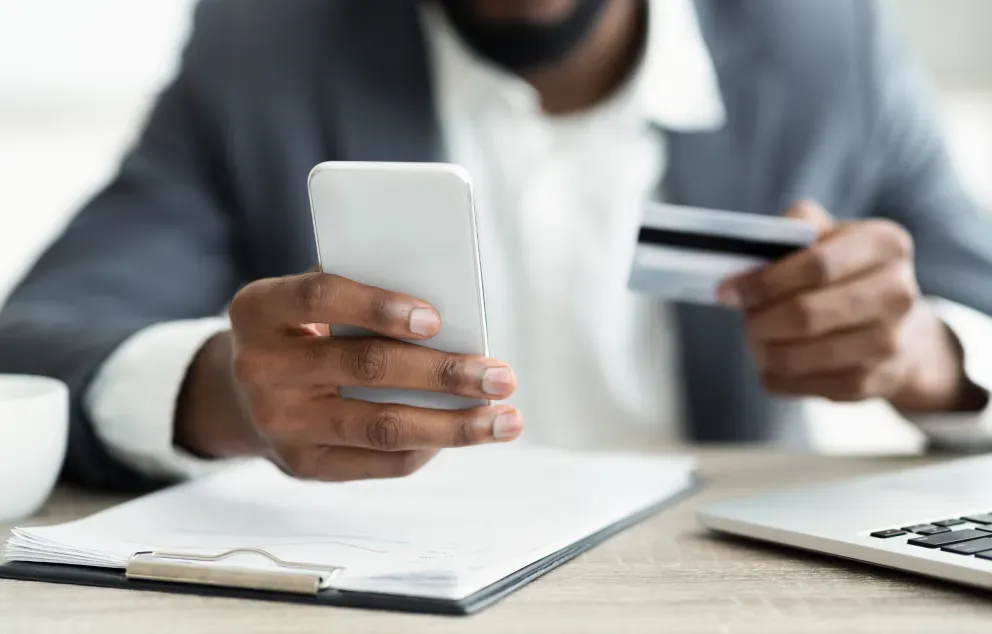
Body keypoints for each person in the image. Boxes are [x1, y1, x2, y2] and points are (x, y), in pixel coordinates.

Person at [2, 0, 991, 491]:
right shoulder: (263, 47)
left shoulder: (825, 44)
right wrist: (226, 394)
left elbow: (968, 308)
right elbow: (35, 343)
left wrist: (930, 359)